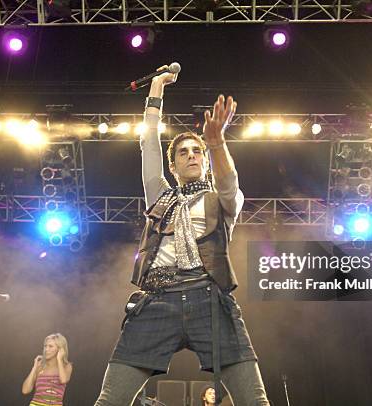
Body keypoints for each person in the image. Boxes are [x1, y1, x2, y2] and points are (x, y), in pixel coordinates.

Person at [94, 66, 270, 405]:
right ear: (172, 166)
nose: (192, 155)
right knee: (109, 399)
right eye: (183, 152)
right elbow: (147, 143)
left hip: (210, 301)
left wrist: (216, 143)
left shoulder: (222, 199)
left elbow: (229, 179)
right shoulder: (160, 196)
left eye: (197, 151)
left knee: (255, 400)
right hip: (157, 299)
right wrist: (156, 89)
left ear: (205, 162)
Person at [22, 333, 73, 406]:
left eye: (50, 346)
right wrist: (34, 367)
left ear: (60, 349)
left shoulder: (67, 366)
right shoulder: (40, 367)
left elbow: (63, 380)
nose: (46, 349)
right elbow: (25, 390)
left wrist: (59, 359)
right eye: (45, 346)